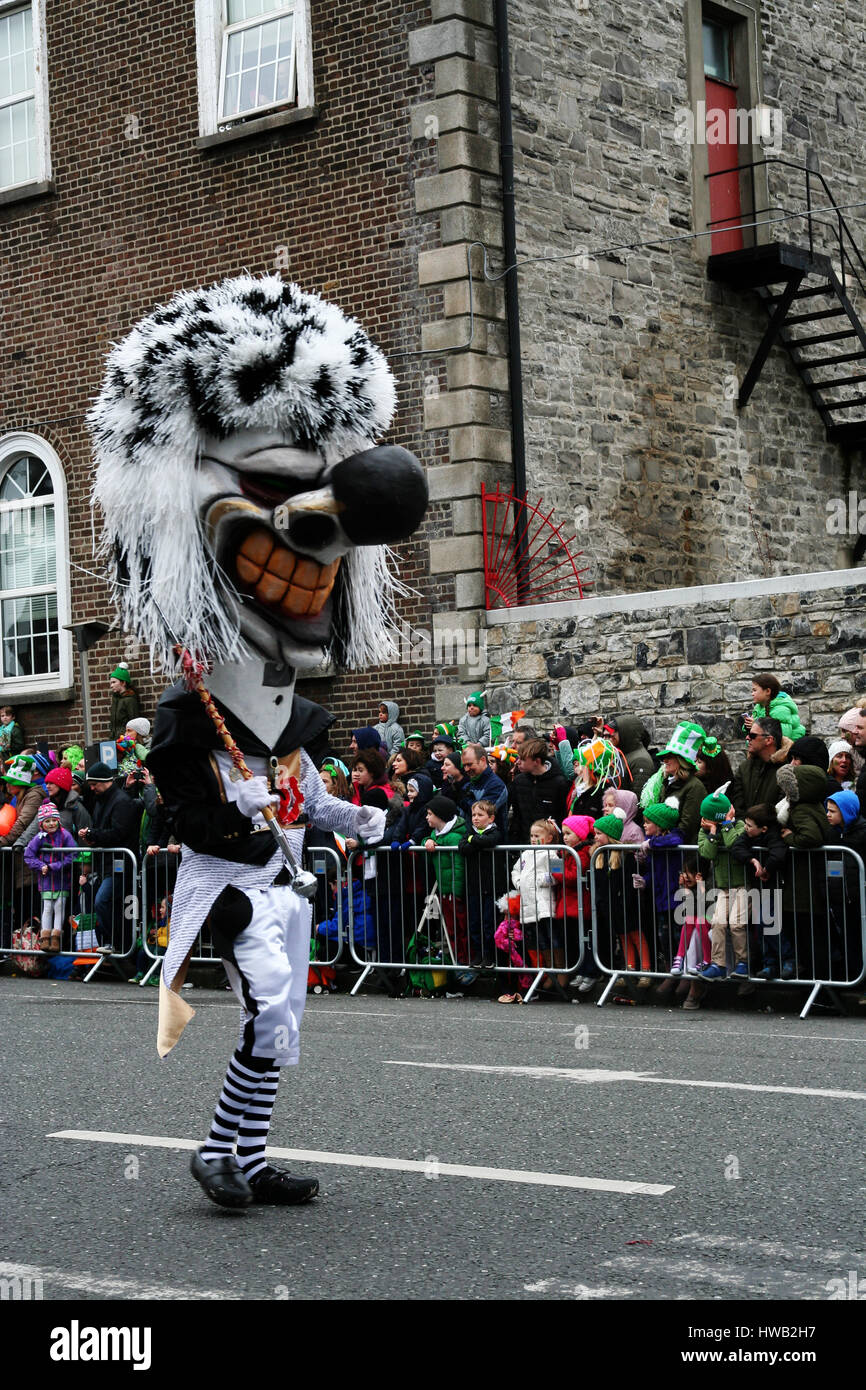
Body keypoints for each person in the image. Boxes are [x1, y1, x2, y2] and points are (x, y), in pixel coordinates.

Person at [78, 762, 140, 954]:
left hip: (120, 864)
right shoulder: (102, 800)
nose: (92, 788)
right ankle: (113, 943)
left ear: (105, 782)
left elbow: (118, 832)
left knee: (102, 901)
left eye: (94, 784)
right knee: (107, 904)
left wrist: (93, 834)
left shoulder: (120, 801)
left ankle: (117, 943)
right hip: (107, 863)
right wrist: (92, 838)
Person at [729, 804, 789, 980]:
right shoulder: (748, 836)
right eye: (745, 824)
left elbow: (778, 854)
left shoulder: (773, 835)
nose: (745, 828)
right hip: (759, 889)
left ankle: (788, 959)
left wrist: (767, 869)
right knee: (762, 926)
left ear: (763, 829)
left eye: (749, 826)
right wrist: (753, 860)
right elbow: (736, 847)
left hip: (774, 887)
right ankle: (770, 963)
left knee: (768, 923)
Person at [697, 791, 749, 982]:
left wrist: (727, 825)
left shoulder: (740, 825)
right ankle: (718, 964)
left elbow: (736, 846)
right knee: (718, 922)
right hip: (724, 888)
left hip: (744, 885)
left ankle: (742, 963)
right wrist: (712, 832)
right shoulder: (704, 831)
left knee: (736, 924)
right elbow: (707, 853)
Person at [459, 799, 505, 982]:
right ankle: (478, 953)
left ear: (491, 818)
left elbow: (490, 841)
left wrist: (474, 841)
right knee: (474, 923)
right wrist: (473, 840)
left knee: (488, 922)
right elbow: (463, 847)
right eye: (474, 815)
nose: (475, 819)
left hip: (490, 885)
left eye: (480, 815)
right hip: (473, 886)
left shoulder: (494, 830)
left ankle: (490, 955)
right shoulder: (469, 832)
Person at [423, 792, 469, 971]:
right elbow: (424, 841)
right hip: (444, 890)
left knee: (461, 928)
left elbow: (458, 868)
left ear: (440, 815)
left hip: (454, 893)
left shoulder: (454, 837)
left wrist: (456, 892)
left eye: (430, 814)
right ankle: (457, 959)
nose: (427, 817)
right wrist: (427, 840)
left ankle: (466, 961)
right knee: (451, 929)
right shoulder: (436, 835)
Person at [510, 818, 560, 982]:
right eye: (531, 835)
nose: (533, 839)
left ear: (549, 837)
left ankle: (560, 971)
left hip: (544, 903)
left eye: (537, 835)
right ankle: (549, 971)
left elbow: (558, 875)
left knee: (552, 938)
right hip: (529, 905)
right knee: (539, 941)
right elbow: (515, 871)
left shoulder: (552, 852)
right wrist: (519, 883)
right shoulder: (525, 854)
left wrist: (539, 880)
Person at [825, 790, 866, 984]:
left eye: (833, 811)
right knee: (848, 937)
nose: (828, 814)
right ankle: (854, 975)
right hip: (839, 896)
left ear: (847, 812)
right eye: (828, 810)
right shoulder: (831, 833)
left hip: (859, 896)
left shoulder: (862, 832)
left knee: (860, 936)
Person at [638, 801, 684, 974]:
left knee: (678, 936)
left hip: (675, 896)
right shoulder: (650, 842)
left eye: (648, 822)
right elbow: (651, 871)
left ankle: (683, 971)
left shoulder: (674, 835)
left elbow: (674, 840)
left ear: (660, 824)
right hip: (660, 898)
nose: (644, 825)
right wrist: (644, 880)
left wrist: (651, 844)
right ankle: (668, 971)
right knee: (663, 937)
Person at [24, 802, 77, 953]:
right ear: (42, 824)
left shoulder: (65, 834)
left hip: (62, 880)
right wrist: (40, 866)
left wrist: (55, 866)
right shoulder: (39, 837)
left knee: (59, 907)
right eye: (47, 821)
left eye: (54, 820)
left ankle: (56, 938)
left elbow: (73, 854)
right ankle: (45, 938)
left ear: (58, 820)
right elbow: (28, 855)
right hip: (46, 881)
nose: (51, 823)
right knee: (47, 908)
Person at [556, 814, 595, 991]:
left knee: (585, 940)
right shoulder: (567, 852)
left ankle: (590, 972)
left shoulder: (583, 853)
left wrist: (555, 870)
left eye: (568, 833)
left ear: (579, 835)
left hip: (580, 904)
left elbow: (572, 876)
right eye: (563, 834)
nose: (564, 837)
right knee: (574, 940)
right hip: (569, 905)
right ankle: (580, 970)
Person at [652, 722, 707, 844]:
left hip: (682, 854)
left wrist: (661, 842)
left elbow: (687, 827)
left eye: (670, 757)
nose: (665, 760)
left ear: (682, 761)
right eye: (664, 757)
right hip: (665, 850)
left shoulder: (695, 787)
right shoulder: (667, 782)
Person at [509, 737, 568, 843]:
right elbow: (517, 815)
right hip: (524, 845)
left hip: (551, 846)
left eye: (523, 759)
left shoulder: (559, 783)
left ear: (536, 761)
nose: (518, 762)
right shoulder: (519, 781)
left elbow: (563, 816)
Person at [729, 716, 787, 820]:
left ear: (768, 740)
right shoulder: (744, 768)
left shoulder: (786, 771)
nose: (747, 738)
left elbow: (781, 811)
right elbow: (738, 807)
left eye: (752, 735)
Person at [744, 673, 805, 742]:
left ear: (767, 691)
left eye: (755, 690)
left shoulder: (781, 709)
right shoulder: (759, 706)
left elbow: (783, 735)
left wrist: (756, 726)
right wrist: (748, 725)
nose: (752, 694)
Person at [460, 743, 508, 830]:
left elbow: (481, 813)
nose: (466, 769)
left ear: (482, 760)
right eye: (464, 765)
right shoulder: (468, 784)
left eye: (469, 764)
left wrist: (466, 800)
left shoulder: (496, 785)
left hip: (491, 840)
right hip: (470, 838)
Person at [607, 715, 656, 799]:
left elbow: (637, 799)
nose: (611, 734)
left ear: (626, 733)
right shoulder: (623, 754)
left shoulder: (641, 761)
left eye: (615, 731)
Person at [109, 664, 141, 739]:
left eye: (114, 682)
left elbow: (134, 722)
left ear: (123, 683)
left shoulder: (130, 700)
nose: (111, 685)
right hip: (114, 739)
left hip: (126, 740)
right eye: (111, 683)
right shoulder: (115, 699)